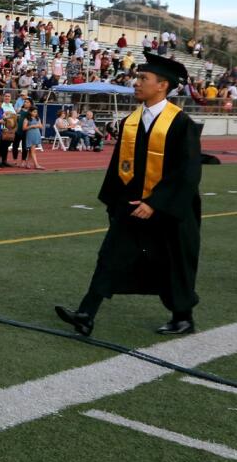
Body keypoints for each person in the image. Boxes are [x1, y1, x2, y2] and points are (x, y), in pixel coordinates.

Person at [54, 52, 202, 336]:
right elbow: (118, 166)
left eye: (143, 79)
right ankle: (86, 313)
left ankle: (183, 317)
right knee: (109, 256)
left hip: (168, 211)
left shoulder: (181, 124)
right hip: (131, 206)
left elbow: (187, 173)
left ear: (162, 85)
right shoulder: (131, 122)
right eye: (137, 78)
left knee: (171, 263)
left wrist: (155, 203)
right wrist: (115, 203)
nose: (136, 83)